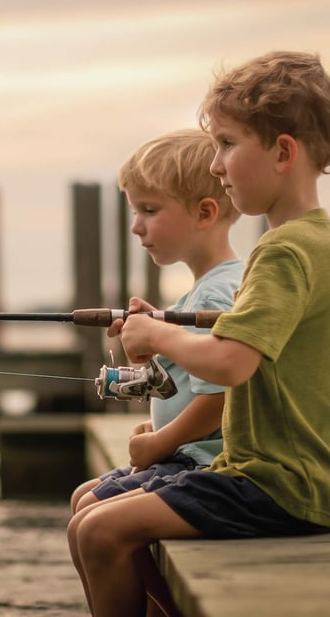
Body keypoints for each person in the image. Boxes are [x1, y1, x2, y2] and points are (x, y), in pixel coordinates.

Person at [67, 51, 330, 617]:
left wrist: (156, 335)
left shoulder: (284, 251)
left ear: (282, 153)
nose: (216, 165)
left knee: (100, 531)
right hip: (272, 475)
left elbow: (231, 364)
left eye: (226, 144)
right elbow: (238, 341)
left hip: (279, 485)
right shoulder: (313, 240)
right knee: (92, 521)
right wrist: (166, 325)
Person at [70, 129, 243, 516]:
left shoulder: (213, 296)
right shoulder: (211, 288)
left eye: (149, 210)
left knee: (91, 508)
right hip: (190, 451)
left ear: (204, 214)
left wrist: (162, 442)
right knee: (84, 496)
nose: (136, 226)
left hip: (201, 463)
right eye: (135, 212)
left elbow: (221, 399)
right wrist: (158, 343)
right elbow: (190, 377)